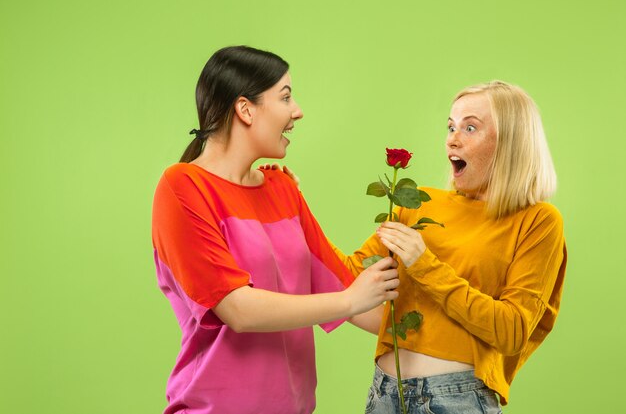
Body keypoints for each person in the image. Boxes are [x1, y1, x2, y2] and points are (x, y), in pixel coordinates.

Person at [272, 80, 566, 413]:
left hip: (457, 399)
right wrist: (293, 207)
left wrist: (424, 263)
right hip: (385, 393)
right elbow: (346, 276)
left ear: (511, 142)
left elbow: (511, 332)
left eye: (471, 128)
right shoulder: (418, 204)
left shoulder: (538, 221)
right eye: (452, 126)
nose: (453, 138)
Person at [151, 46, 399, 414]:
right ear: (246, 109)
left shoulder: (282, 189)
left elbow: (344, 285)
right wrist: (351, 300)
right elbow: (238, 308)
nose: (297, 110)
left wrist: (451, 324)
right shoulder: (183, 187)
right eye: (285, 96)